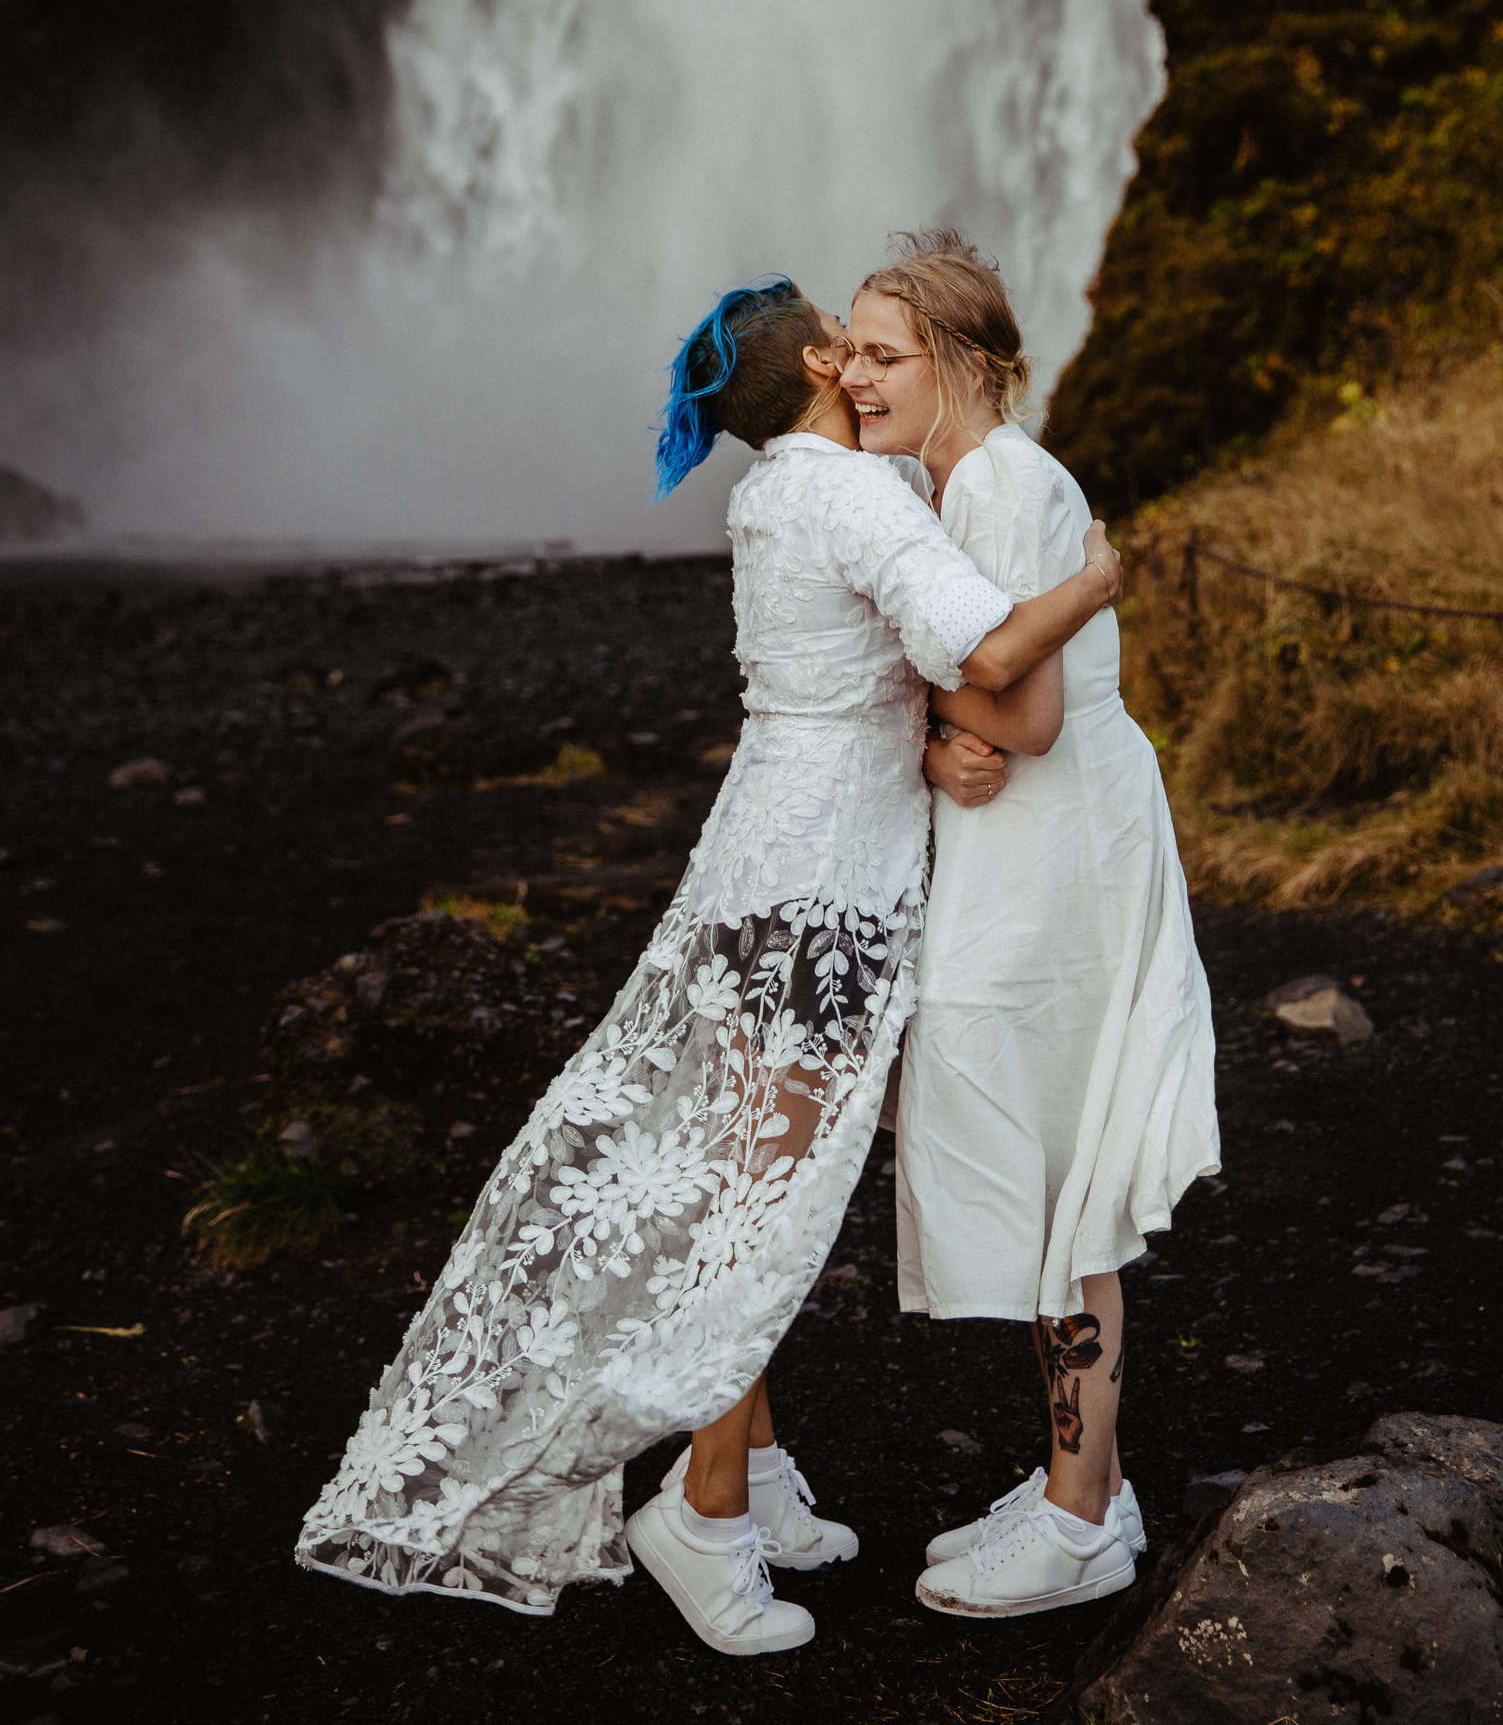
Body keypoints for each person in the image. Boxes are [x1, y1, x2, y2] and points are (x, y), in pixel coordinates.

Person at [296, 277, 1122, 1657]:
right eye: (849, 347)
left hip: (759, 866)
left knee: (741, 1176)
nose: (866, 369)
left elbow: (854, 683)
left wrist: (926, 743)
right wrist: (1092, 581)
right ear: (814, 360)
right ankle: (709, 1510)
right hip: (825, 897)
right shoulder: (859, 496)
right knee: (761, 1212)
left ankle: (766, 1477)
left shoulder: (771, 493)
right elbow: (981, 648)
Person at [843, 231, 1220, 1621]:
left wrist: (940, 724)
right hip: (1043, 834)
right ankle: (1086, 1483)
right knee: (1056, 1152)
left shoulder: (1001, 485)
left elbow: (1030, 714)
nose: (857, 379)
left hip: (1058, 850)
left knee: (1066, 1169)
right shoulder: (969, 478)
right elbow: (988, 705)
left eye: (884, 356)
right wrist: (942, 741)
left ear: (957, 360)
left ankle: (1080, 1522)